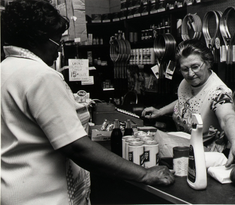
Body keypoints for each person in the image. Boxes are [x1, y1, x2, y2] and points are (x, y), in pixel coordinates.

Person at [1, 1, 174, 205]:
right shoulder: (40, 76)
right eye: (57, 41)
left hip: (15, 192)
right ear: (37, 39)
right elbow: (77, 147)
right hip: (46, 198)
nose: (59, 50)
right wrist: (144, 174)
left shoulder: (5, 69)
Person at [142, 39, 235, 173]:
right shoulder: (186, 83)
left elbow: (227, 117)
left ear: (207, 63)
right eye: (185, 69)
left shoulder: (218, 92)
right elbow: (185, 100)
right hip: (187, 144)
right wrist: (160, 112)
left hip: (206, 158)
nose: (190, 74)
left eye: (195, 66)